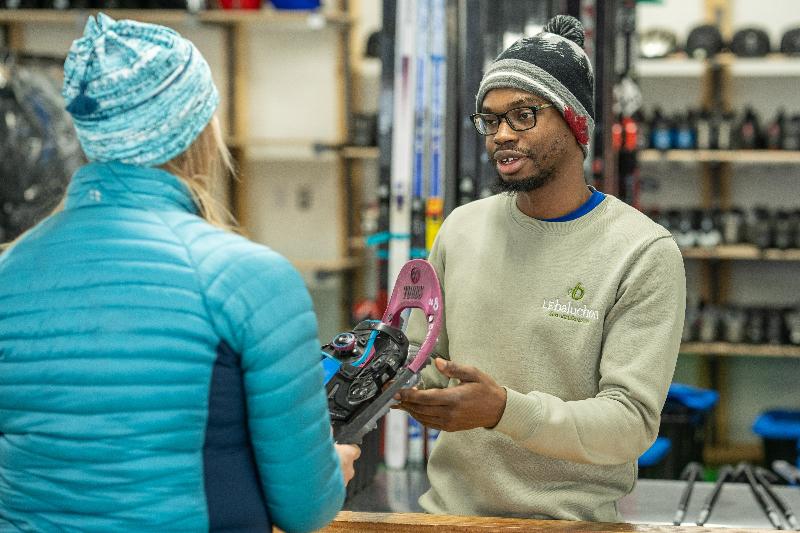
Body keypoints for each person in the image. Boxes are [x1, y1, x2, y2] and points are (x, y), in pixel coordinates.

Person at [0, 14, 359, 532]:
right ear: (201, 134)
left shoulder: (9, 272)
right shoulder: (252, 280)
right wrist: (332, 471)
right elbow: (303, 509)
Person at [396, 15, 686, 523]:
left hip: (569, 524)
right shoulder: (461, 229)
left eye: (523, 115)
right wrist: (392, 380)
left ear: (575, 123)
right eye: (491, 121)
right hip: (449, 519)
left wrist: (503, 410)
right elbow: (423, 362)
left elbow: (630, 423)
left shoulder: (642, 252)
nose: (502, 135)